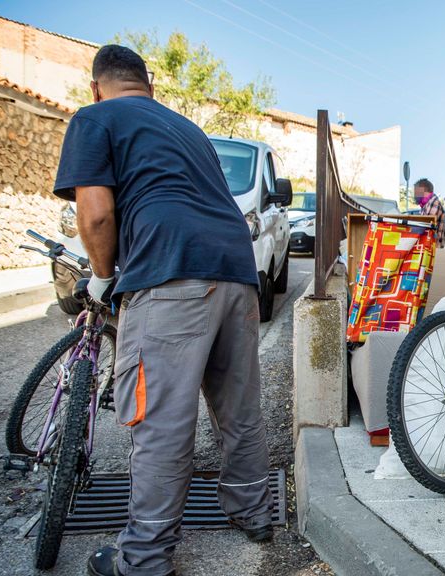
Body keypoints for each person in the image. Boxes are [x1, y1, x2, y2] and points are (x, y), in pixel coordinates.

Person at [52, 45, 273, 576]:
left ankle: (145, 561)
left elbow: (97, 214)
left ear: (95, 85)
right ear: (149, 86)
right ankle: (255, 514)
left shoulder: (95, 117)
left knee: (161, 422)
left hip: (171, 273)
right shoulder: (188, 130)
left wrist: (103, 282)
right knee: (238, 407)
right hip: (237, 270)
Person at [414, 178, 445, 246]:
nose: (415, 194)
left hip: (432, 246)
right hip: (427, 244)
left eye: (416, 191)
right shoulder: (426, 205)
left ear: (424, 190)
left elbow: (426, 224)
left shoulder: (434, 202)